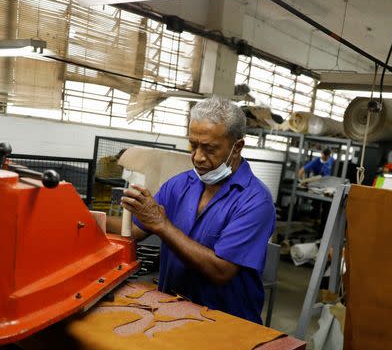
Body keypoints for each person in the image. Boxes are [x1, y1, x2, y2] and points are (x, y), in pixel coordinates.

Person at [110, 96, 276, 324]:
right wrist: (79, 214)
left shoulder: (255, 201)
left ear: (236, 147)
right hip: (172, 313)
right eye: (193, 145)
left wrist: (162, 225)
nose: (197, 157)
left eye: (209, 148)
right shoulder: (179, 185)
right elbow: (133, 230)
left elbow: (221, 271)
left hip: (227, 324)